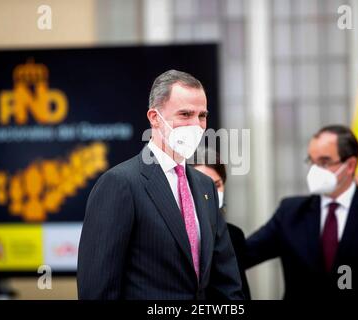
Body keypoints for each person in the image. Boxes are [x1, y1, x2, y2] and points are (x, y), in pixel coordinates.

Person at [77, 69, 243, 300]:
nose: (196, 125)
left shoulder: (206, 187)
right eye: (185, 114)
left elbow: (226, 281)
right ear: (154, 117)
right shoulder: (120, 183)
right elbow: (98, 289)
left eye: (202, 116)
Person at [246, 125, 358, 302]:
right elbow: (243, 255)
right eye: (311, 162)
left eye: (324, 162)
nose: (315, 170)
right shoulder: (290, 212)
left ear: (350, 165)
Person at [191, 148, 251, 299]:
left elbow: (239, 292)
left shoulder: (233, 236)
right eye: (203, 185)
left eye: (217, 185)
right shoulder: (170, 233)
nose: (210, 192)